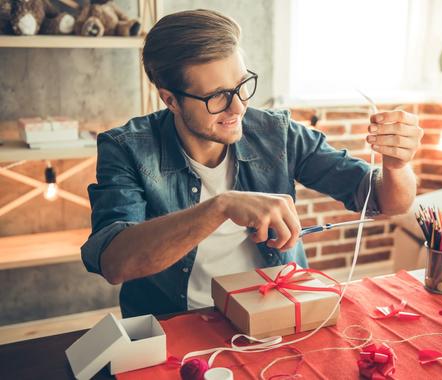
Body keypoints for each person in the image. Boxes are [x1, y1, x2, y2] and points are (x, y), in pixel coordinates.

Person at [81, 9, 423, 318]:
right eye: (217, 96)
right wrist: (221, 207)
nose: (239, 108)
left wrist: (396, 166)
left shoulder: (276, 132)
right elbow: (115, 262)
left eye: (242, 86)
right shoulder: (126, 148)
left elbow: (389, 202)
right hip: (177, 324)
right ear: (170, 99)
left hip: (278, 311)